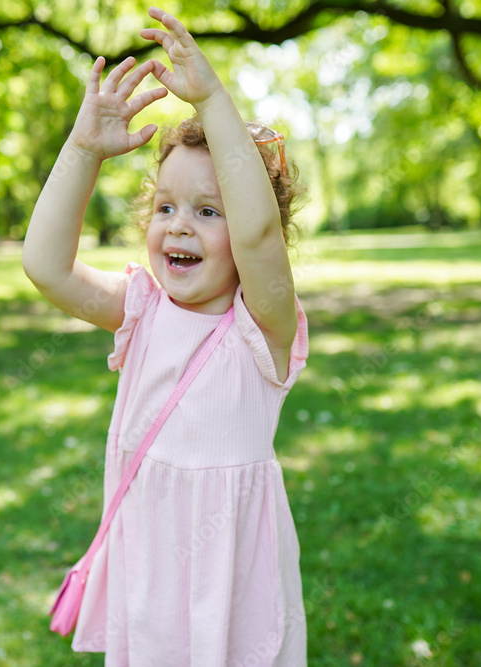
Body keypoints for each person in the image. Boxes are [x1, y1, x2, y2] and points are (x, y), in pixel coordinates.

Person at [23, 6, 308, 665]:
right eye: (167, 206)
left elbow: (261, 235)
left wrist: (209, 98)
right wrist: (83, 149)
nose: (179, 227)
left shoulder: (264, 328)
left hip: (234, 580)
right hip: (149, 571)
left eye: (210, 211)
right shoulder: (142, 309)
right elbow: (45, 266)